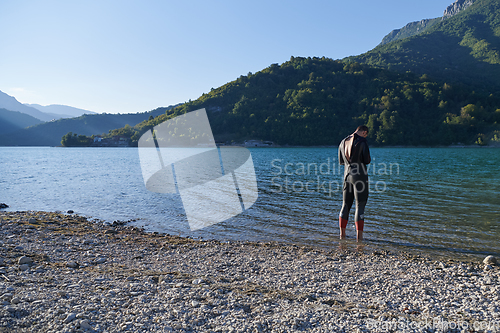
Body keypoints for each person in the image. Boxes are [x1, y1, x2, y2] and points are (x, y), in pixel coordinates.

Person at [338, 125, 371, 242]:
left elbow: (341, 161)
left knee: (345, 204)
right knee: (360, 205)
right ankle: (359, 239)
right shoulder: (362, 141)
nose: (365, 136)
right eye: (366, 134)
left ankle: (342, 236)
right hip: (359, 176)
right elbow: (367, 160)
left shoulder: (343, 142)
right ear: (364, 132)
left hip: (347, 176)